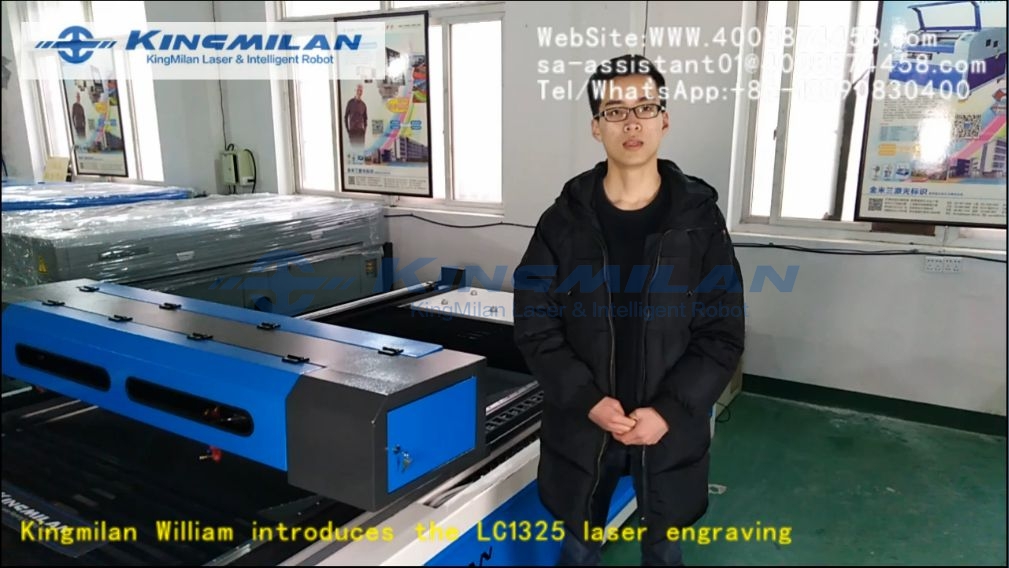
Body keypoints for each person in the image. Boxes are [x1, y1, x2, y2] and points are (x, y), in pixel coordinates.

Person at [513, 54, 746, 566]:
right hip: (584, 423)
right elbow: (535, 325)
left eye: (645, 107)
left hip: (669, 427)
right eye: (615, 111)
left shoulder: (699, 221)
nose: (632, 122)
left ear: (665, 119)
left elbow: (722, 332)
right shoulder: (563, 221)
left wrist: (668, 412)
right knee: (579, 545)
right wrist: (588, 400)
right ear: (596, 127)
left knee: (662, 545)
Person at [344, 84, 368, 148]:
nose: (359, 92)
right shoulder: (350, 103)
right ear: (355, 90)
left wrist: (364, 131)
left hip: (361, 133)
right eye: (358, 90)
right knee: (354, 151)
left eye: (361, 90)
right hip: (352, 132)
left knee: (360, 151)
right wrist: (348, 130)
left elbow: (365, 119)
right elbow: (346, 117)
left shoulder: (363, 105)